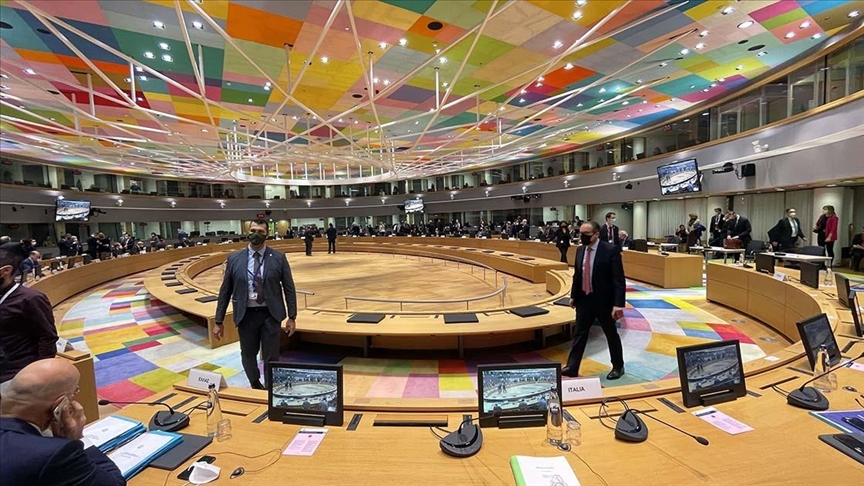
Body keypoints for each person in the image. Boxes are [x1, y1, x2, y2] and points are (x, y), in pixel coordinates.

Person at [0, 359, 126, 486]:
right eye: (74, 393)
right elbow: (115, 483)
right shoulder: (55, 454)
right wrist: (76, 438)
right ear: (60, 406)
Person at [214, 219, 298, 390]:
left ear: (267, 234)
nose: (255, 234)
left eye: (260, 231)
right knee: (247, 354)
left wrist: (292, 316)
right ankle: (255, 384)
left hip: (270, 315)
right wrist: (218, 321)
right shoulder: (234, 259)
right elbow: (225, 291)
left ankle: (271, 387)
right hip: (246, 315)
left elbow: (289, 288)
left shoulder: (279, 258)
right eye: (253, 230)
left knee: (271, 356)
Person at [563, 222, 626, 380]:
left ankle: (618, 366)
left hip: (604, 301)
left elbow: (618, 279)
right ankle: (572, 366)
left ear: (596, 234)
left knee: (611, 334)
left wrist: (618, 304)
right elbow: (578, 275)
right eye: (580, 233)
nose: (582, 237)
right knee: (580, 334)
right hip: (584, 299)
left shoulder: (610, 250)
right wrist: (573, 296)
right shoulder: (580, 250)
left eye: (586, 234)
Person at [0, 243, 57, 387]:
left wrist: (39, 376)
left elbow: (48, 338)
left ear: (5, 271)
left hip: (17, 376)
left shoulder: (31, 299)